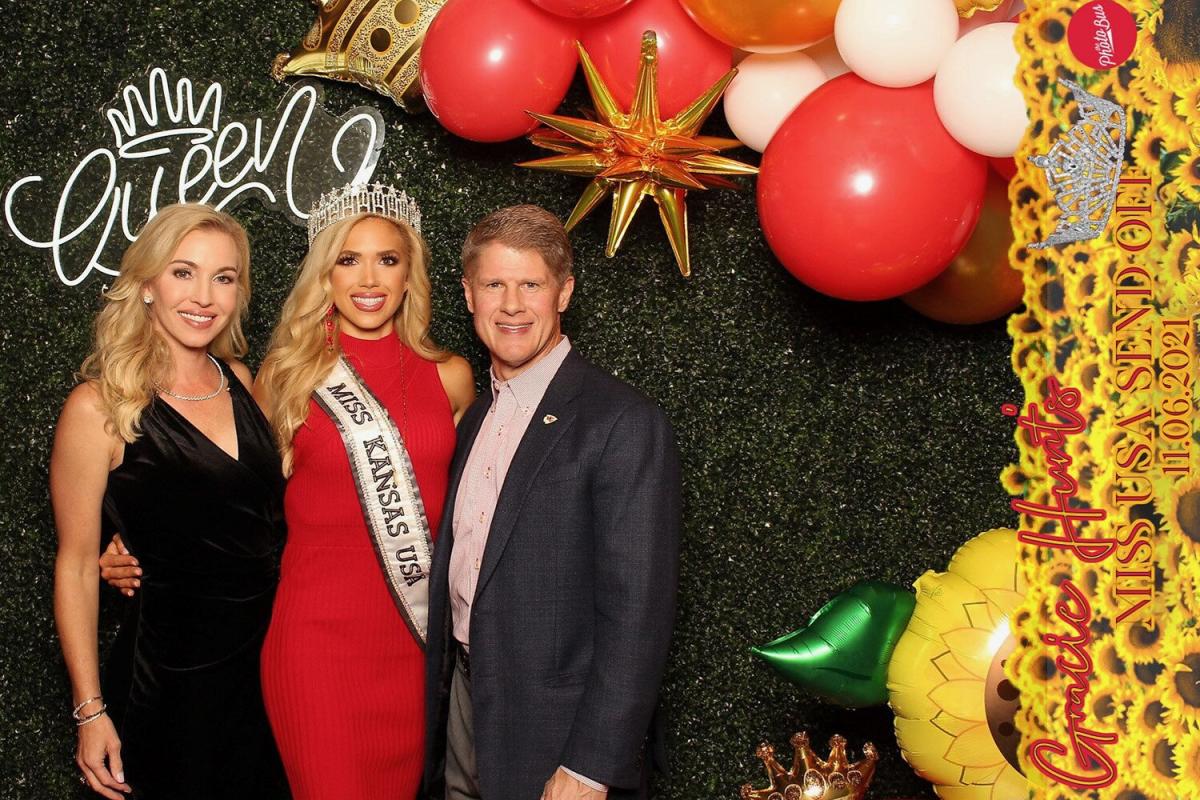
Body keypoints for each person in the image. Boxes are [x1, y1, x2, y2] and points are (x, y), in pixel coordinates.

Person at [424, 205, 681, 800]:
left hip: (557, 731)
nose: (511, 304)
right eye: (494, 284)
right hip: (464, 702)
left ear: (563, 292)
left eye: (531, 284)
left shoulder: (622, 421)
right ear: (468, 295)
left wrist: (592, 766)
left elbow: (638, 616)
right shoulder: (475, 415)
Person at [51, 203, 288, 800]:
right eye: (184, 272)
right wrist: (89, 711)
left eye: (224, 277)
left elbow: (264, 518)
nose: (204, 295)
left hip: (270, 670)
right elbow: (77, 564)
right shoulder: (98, 406)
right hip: (168, 680)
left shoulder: (243, 379)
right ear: (148, 284)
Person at [254, 184, 474, 798]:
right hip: (315, 643)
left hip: (412, 646)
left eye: (387, 258)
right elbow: (231, 496)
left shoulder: (451, 376)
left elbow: (478, 508)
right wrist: (131, 540)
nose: (368, 278)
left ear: (410, 273)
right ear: (325, 273)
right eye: (347, 259)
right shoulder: (288, 375)